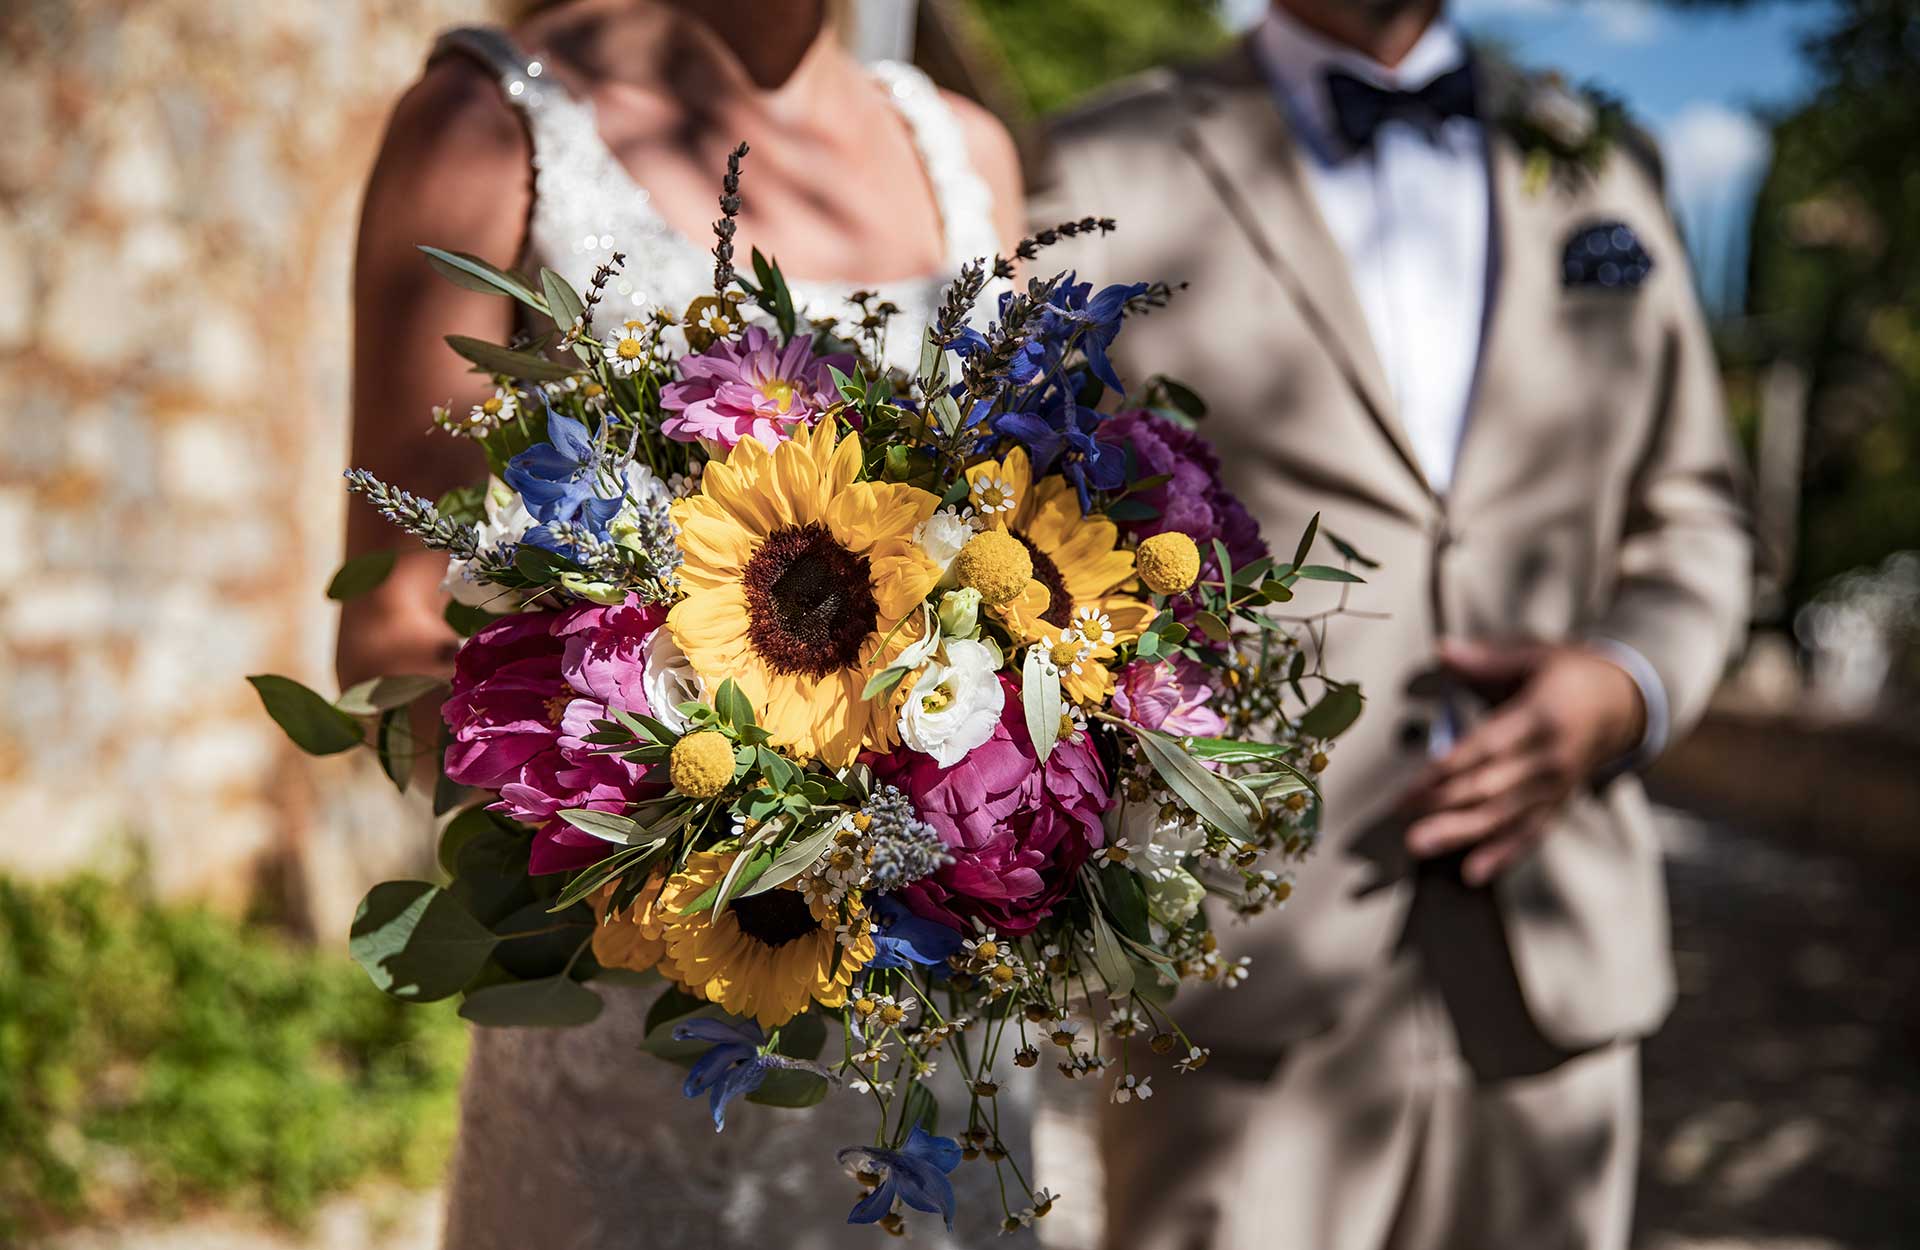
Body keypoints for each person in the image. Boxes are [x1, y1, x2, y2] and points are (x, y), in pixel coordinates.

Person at [1028, 1, 1751, 1247]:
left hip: (1556, 967)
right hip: (1239, 971)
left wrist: (1628, 682)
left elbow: (1695, 512)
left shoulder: (1604, 158)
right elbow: (1005, 523)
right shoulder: (1099, 162)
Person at [338, 2, 1023, 1246]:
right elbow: (388, 621)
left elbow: (1024, 534)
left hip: (925, 1023)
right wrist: (692, 790)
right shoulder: (491, 119)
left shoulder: (967, 149)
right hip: (641, 1028)